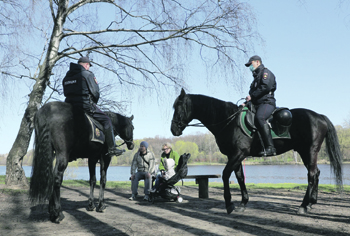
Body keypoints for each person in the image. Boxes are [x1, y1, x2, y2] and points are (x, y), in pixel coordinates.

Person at [62, 56, 123, 158]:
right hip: (85, 105)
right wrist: (93, 103)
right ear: (87, 65)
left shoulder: (67, 77)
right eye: (89, 66)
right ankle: (112, 148)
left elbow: (65, 92)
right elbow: (95, 92)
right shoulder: (88, 74)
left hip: (69, 106)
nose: (89, 68)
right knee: (107, 120)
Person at [243, 55, 277, 156]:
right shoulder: (256, 77)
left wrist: (252, 97)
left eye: (251, 64)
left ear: (257, 62)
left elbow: (265, 87)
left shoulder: (266, 73)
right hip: (256, 104)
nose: (250, 67)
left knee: (260, 118)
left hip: (267, 102)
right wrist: (245, 103)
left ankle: (270, 148)